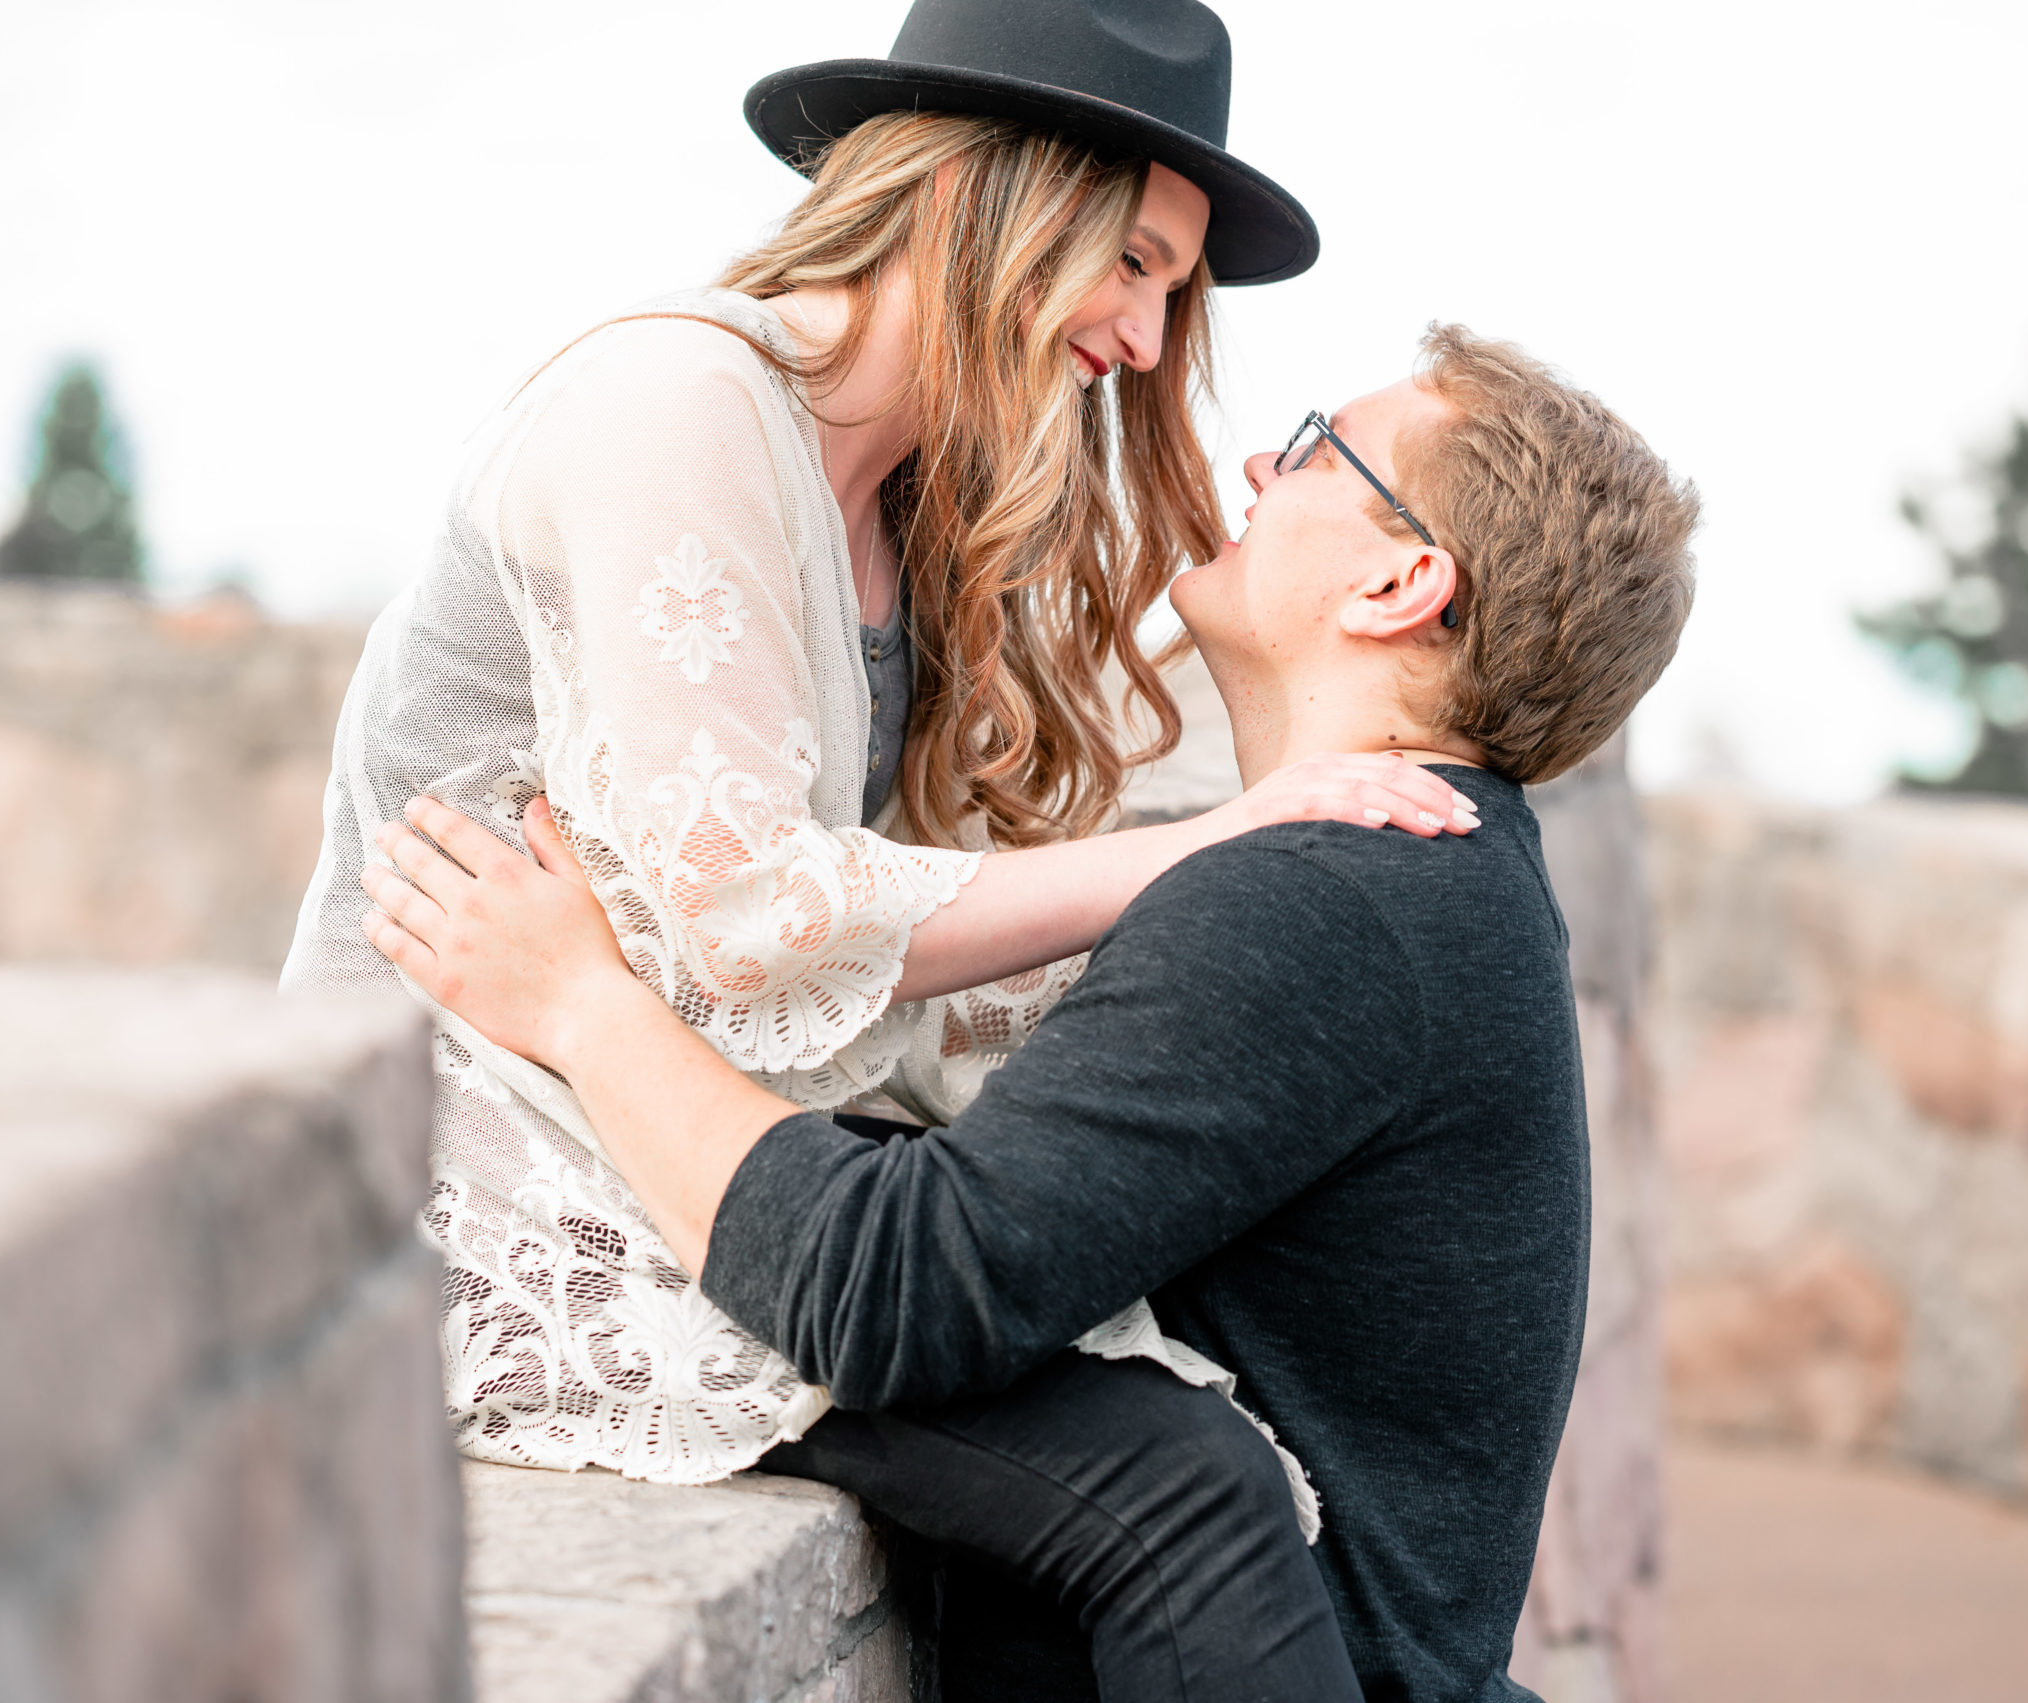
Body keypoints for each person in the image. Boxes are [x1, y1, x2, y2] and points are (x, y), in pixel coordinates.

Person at [287, 0, 1475, 1696]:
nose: (1146, 339)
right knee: (1179, 1488)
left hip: (689, 1144)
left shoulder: (909, 494)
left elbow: (914, 955)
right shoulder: (674, 402)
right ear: (985, 196)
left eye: (1169, 290)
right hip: (506, 1187)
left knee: (1151, 1411)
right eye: (1132, 263)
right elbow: (750, 919)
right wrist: (1214, 849)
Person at [356, 324, 1702, 1701]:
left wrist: (582, 1003)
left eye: (1312, 451)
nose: (1254, 461)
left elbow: (907, 1290)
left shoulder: (1341, 900)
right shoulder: (1444, 872)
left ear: (1402, 580)